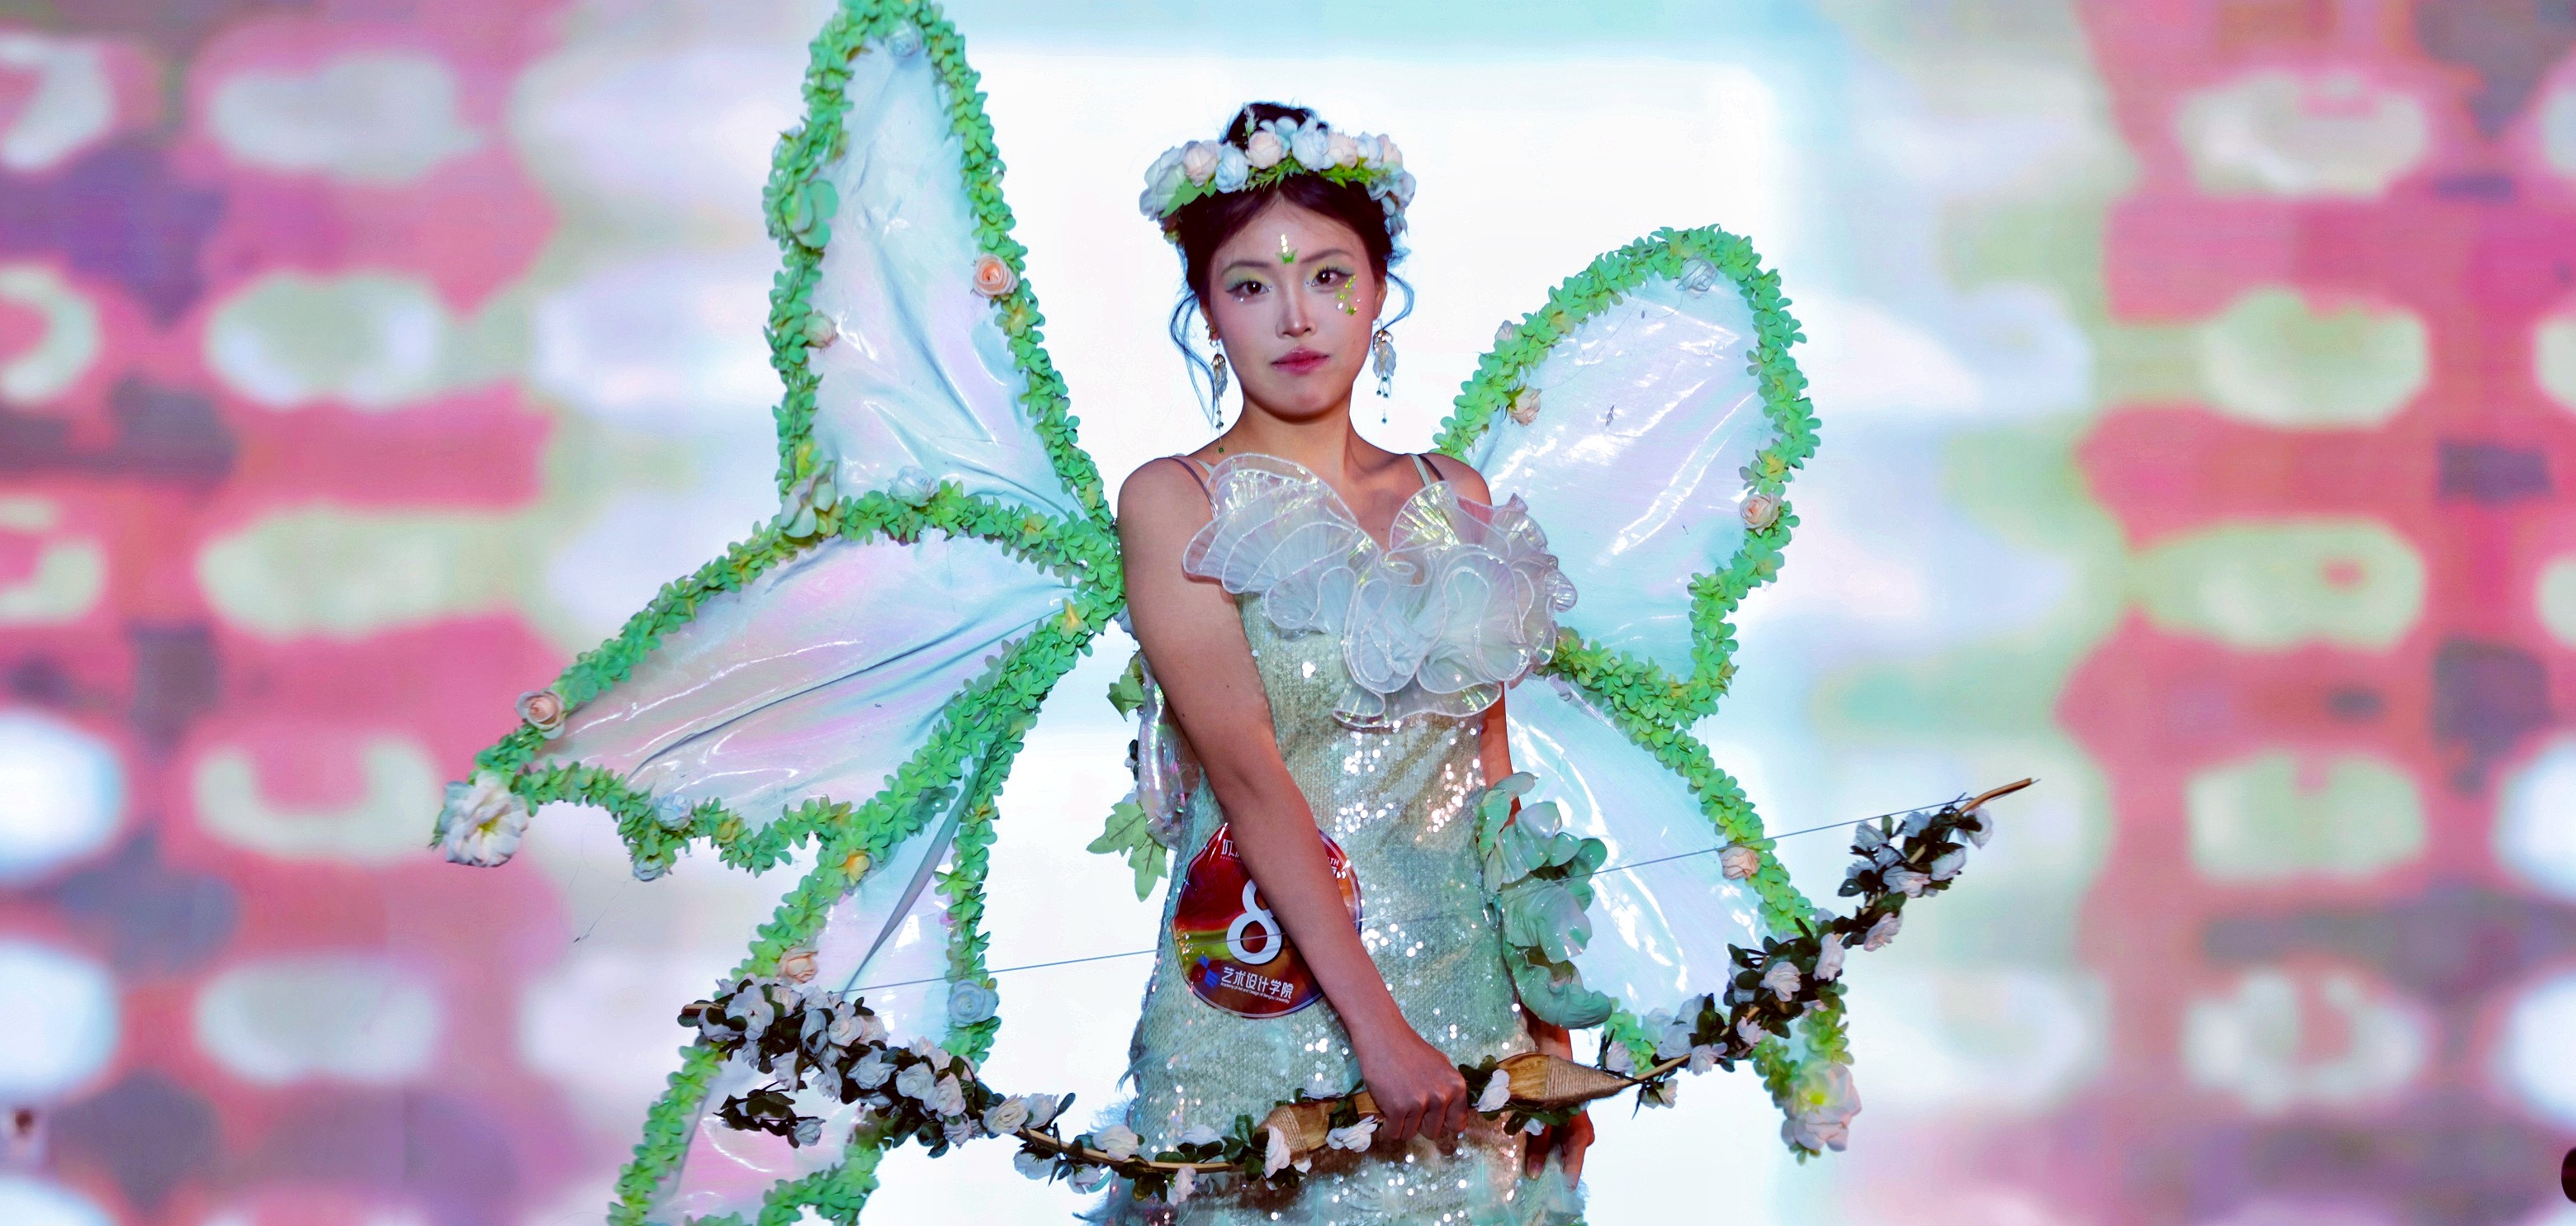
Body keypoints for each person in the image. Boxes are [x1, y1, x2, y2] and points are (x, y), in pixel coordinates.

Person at [1111, 102, 1589, 1223]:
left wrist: (1550, 1034)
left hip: (1473, 1015)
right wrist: (1380, 1033)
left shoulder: (1453, 495)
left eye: (1329, 277)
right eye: (1250, 285)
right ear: (1205, 311)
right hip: (1267, 1009)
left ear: (1380, 294)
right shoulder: (1175, 502)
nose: (1296, 317)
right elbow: (1248, 775)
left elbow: (1491, 778)